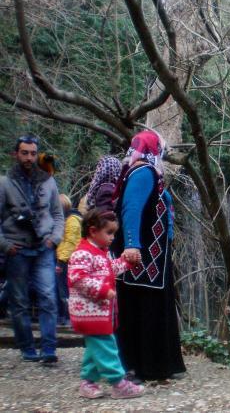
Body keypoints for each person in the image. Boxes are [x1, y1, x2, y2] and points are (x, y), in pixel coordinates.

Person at [112, 130, 186, 380]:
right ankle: (145, 365)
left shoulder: (139, 171)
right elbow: (131, 207)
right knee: (144, 306)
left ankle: (147, 364)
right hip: (144, 260)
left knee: (141, 305)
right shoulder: (144, 172)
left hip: (151, 260)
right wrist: (132, 244)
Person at [0, 134, 64, 363]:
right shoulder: (4, 183)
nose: (29, 157)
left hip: (44, 248)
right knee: (19, 301)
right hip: (17, 250)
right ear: (16, 154)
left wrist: (55, 238)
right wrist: (6, 245)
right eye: (24, 153)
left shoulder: (48, 181)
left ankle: (49, 349)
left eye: (33, 153)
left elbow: (58, 214)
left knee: (48, 296)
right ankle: (27, 347)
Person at [68, 208, 144, 399]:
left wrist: (127, 263)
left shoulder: (101, 252)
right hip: (89, 312)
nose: (112, 237)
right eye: (109, 232)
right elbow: (77, 277)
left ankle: (87, 383)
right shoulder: (83, 253)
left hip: (99, 313)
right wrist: (101, 290)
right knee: (107, 347)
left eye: (114, 233)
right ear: (93, 231)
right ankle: (118, 383)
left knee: (95, 348)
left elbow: (111, 269)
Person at [55, 194, 83, 326]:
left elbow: (70, 243)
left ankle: (67, 317)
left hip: (67, 260)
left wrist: (61, 261)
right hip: (67, 259)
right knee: (63, 290)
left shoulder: (72, 221)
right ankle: (63, 316)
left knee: (64, 290)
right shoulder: (71, 219)